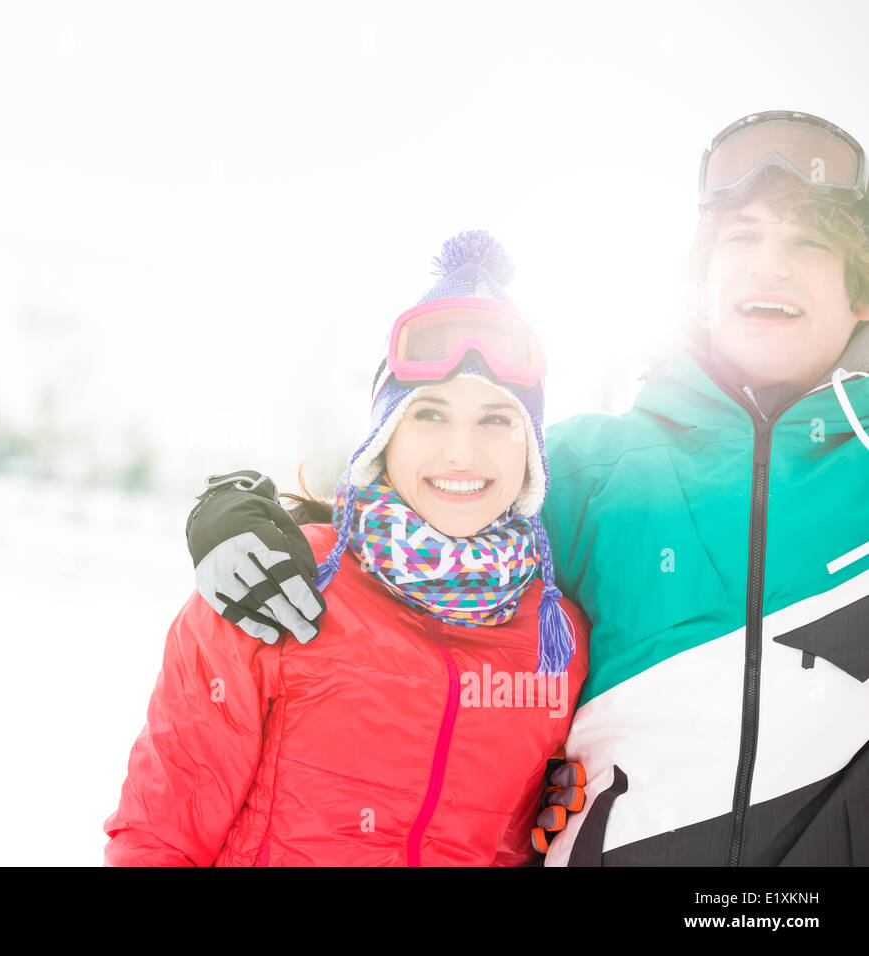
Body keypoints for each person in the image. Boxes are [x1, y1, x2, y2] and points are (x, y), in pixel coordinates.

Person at [178, 109, 869, 866]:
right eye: (742, 238)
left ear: (860, 297)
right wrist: (242, 512)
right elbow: (409, 534)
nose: (771, 265)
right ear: (697, 287)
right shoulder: (586, 469)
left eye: (808, 243)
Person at [103, 232, 590, 866]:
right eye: (431, 414)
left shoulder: (557, 639)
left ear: (531, 453)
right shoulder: (274, 582)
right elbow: (160, 837)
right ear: (384, 438)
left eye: (497, 419)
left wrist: (552, 828)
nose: (463, 453)